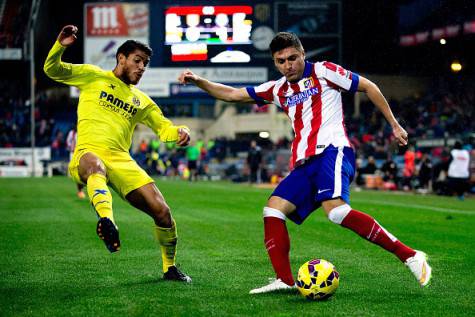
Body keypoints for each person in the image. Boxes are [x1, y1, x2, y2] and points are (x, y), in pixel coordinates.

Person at [178, 32, 431, 293]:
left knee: (336, 211)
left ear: (303, 54)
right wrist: (199, 81)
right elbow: (232, 94)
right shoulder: (277, 89)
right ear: (275, 63)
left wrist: (394, 124)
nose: (288, 65)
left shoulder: (325, 71)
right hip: (305, 163)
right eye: (280, 61)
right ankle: (285, 280)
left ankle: (411, 256)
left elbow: (369, 86)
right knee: (273, 210)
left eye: (292, 58)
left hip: (333, 150)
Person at [44, 25, 192, 282]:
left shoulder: (142, 101)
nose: (141, 67)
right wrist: (60, 45)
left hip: (122, 160)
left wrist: (180, 131)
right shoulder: (93, 76)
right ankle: (107, 222)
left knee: (163, 212)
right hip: (88, 153)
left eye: (145, 63)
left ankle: (170, 268)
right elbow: (52, 69)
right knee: (95, 166)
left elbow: (164, 128)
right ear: (120, 58)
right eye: (137, 61)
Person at [66, 124, 85, 199]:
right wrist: (70, 147)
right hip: (73, 152)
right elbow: (68, 141)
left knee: (81, 169)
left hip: (81, 152)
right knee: (74, 168)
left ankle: (81, 187)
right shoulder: (72, 133)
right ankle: (79, 189)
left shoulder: (83, 132)